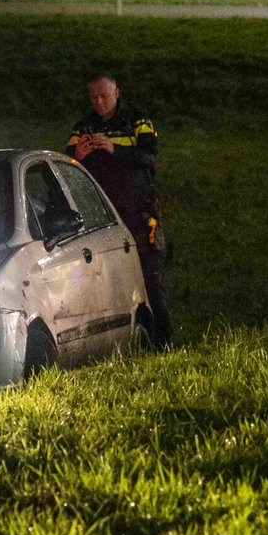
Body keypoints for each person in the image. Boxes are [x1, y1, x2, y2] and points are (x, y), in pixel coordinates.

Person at [65, 74, 172, 344]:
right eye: (93, 97)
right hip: (99, 218)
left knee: (150, 281)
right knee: (105, 283)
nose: (99, 102)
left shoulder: (136, 121)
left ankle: (163, 343)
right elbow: (67, 167)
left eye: (104, 95)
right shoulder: (83, 128)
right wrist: (78, 156)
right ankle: (117, 344)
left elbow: (151, 156)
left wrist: (114, 148)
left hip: (138, 215)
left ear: (117, 93)